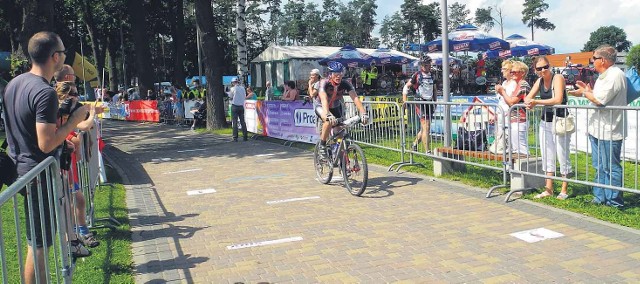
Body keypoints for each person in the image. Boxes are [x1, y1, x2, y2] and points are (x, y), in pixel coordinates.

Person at [2, 31, 90, 284]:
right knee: (39, 245)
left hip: (20, 167)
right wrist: (73, 120)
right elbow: (46, 142)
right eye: (63, 52)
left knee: (36, 242)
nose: (64, 56)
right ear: (54, 56)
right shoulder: (45, 92)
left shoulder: (15, 83)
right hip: (36, 176)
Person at [568, 45, 627, 208]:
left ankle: (614, 201)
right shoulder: (604, 75)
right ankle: (600, 197)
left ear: (602, 60)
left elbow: (600, 101)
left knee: (610, 167)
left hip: (610, 130)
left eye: (593, 59)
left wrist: (584, 93)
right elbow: (599, 97)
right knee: (599, 166)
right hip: (598, 128)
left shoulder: (615, 75)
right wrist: (588, 91)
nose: (592, 62)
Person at [54, 65, 102, 247]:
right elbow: (83, 126)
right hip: (62, 164)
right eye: (73, 93)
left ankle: (80, 231)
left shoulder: (68, 112)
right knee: (72, 201)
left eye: (77, 93)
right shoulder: (60, 112)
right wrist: (91, 116)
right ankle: (75, 236)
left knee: (77, 199)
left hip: (70, 164)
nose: (77, 96)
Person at [524, 56, 571, 200]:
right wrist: (528, 102)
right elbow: (528, 97)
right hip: (545, 121)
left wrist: (536, 101)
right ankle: (548, 189)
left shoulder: (558, 78)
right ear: (535, 70)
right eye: (539, 68)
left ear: (549, 66)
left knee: (562, 154)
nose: (543, 70)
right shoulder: (539, 81)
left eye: (545, 67)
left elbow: (557, 99)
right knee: (547, 155)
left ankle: (564, 189)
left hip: (560, 120)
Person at [316, 61, 368, 158]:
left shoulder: (345, 83)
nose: (338, 76)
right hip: (322, 106)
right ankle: (322, 146)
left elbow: (355, 98)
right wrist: (328, 114)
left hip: (336, 107)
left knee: (340, 132)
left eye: (340, 73)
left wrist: (363, 113)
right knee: (328, 121)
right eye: (336, 74)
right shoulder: (324, 83)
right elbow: (323, 99)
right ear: (330, 74)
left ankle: (341, 160)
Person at [402, 56, 438, 154]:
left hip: (429, 102)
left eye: (429, 65)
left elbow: (434, 89)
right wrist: (404, 101)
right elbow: (406, 87)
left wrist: (435, 101)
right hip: (420, 102)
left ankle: (414, 144)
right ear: (421, 66)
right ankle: (427, 150)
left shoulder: (432, 75)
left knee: (425, 128)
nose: (428, 67)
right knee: (426, 126)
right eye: (426, 65)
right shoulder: (417, 75)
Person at [496, 61, 530, 155]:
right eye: (511, 72)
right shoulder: (518, 84)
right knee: (514, 149)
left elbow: (511, 102)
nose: (512, 74)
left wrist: (502, 92)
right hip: (514, 120)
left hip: (519, 120)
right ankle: (513, 169)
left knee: (521, 149)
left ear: (522, 73)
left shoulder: (523, 85)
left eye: (514, 72)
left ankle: (524, 168)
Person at [490, 60, 516, 153]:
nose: (502, 71)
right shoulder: (504, 83)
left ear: (510, 70)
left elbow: (510, 100)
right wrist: (495, 114)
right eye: (502, 69)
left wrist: (502, 91)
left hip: (509, 114)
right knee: (499, 134)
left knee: (507, 135)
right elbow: (500, 100)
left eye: (504, 69)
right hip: (501, 113)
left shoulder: (514, 83)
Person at [228, 77, 252, 141]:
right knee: (242, 122)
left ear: (233, 82)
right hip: (241, 106)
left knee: (235, 122)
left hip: (235, 106)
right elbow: (244, 96)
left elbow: (230, 96)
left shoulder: (233, 88)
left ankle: (235, 137)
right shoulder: (243, 88)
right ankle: (245, 136)